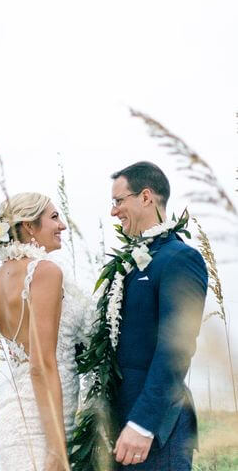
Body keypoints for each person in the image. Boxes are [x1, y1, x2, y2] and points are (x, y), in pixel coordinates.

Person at [110, 162, 208, 470]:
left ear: (146, 197)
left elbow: (175, 349)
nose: (114, 211)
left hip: (155, 430)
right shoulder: (131, 263)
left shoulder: (180, 259)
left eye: (118, 201)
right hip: (119, 423)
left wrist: (142, 424)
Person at [0, 192, 88, 471]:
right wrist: (56, 449)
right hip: (41, 423)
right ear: (29, 226)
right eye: (54, 217)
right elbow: (40, 365)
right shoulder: (45, 271)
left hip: (14, 411)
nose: (62, 225)